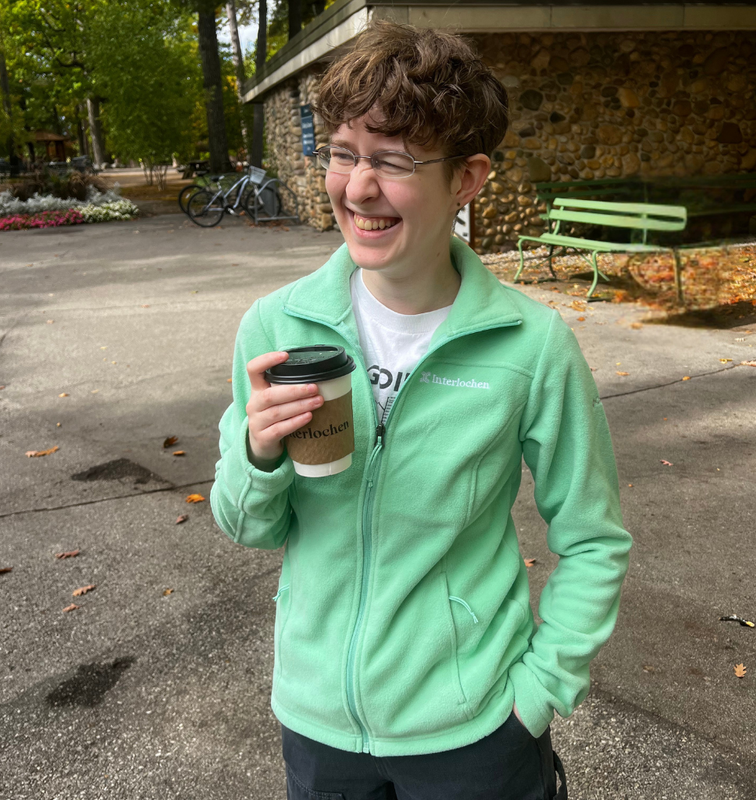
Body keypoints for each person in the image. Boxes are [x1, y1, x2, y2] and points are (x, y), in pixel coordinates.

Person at [211, 19, 632, 800]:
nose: (356, 188)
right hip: (317, 726)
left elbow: (594, 538)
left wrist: (539, 692)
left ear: (467, 178)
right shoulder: (276, 328)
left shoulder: (531, 346)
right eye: (343, 153)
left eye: (393, 161)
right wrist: (257, 455)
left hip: (474, 734)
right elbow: (248, 527)